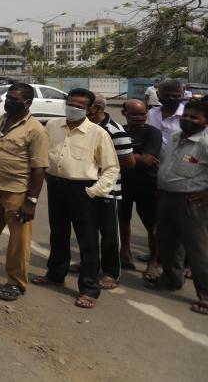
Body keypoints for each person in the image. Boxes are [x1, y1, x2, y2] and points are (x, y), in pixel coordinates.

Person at [32, 88, 119, 309]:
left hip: (84, 190)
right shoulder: (53, 126)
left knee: (87, 241)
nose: (73, 108)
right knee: (58, 233)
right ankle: (55, 274)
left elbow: (110, 168)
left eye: (80, 106)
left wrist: (93, 191)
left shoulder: (98, 133)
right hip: (57, 187)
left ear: (90, 109)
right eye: (71, 103)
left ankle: (89, 288)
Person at [0, 83, 49, 302]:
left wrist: (31, 201)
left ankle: (15, 283)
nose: (9, 102)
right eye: (8, 98)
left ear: (27, 103)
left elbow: (39, 169)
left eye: (15, 99)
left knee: (18, 242)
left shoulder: (36, 130)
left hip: (17, 193)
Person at [146, 99, 208, 316]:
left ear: (205, 121)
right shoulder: (173, 138)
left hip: (192, 201)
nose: (188, 120)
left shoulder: (205, 143)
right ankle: (171, 280)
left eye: (195, 117)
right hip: (166, 197)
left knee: (198, 248)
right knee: (168, 241)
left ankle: (206, 295)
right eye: (186, 115)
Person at [86, 94, 134, 288]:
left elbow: (128, 161)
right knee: (87, 231)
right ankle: (88, 263)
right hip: (86, 188)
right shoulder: (85, 126)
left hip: (109, 189)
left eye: (84, 106)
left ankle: (111, 272)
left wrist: (103, 166)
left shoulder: (114, 130)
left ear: (97, 108)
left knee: (110, 234)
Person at [119, 99, 163, 278]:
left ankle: (153, 262)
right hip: (122, 183)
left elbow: (148, 160)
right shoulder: (118, 130)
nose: (138, 118)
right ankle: (125, 253)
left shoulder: (153, 133)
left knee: (152, 224)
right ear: (124, 114)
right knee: (122, 220)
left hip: (147, 184)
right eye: (133, 114)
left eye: (142, 114)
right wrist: (135, 157)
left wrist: (121, 155)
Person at [148, 79, 186, 147]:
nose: (171, 99)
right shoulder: (151, 113)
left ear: (182, 95)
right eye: (166, 95)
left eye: (175, 96)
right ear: (158, 94)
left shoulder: (189, 117)